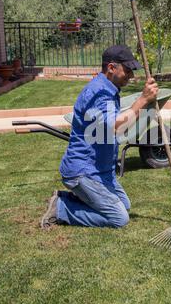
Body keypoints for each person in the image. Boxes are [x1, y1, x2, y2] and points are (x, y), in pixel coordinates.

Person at [41, 45, 158, 229]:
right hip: (83, 172)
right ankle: (61, 209)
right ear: (111, 68)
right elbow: (113, 127)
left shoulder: (108, 89)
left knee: (125, 205)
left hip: (100, 171)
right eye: (127, 70)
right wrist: (142, 100)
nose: (131, 76)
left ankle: (67, 197)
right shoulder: (98, 94)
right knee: (119, 218)